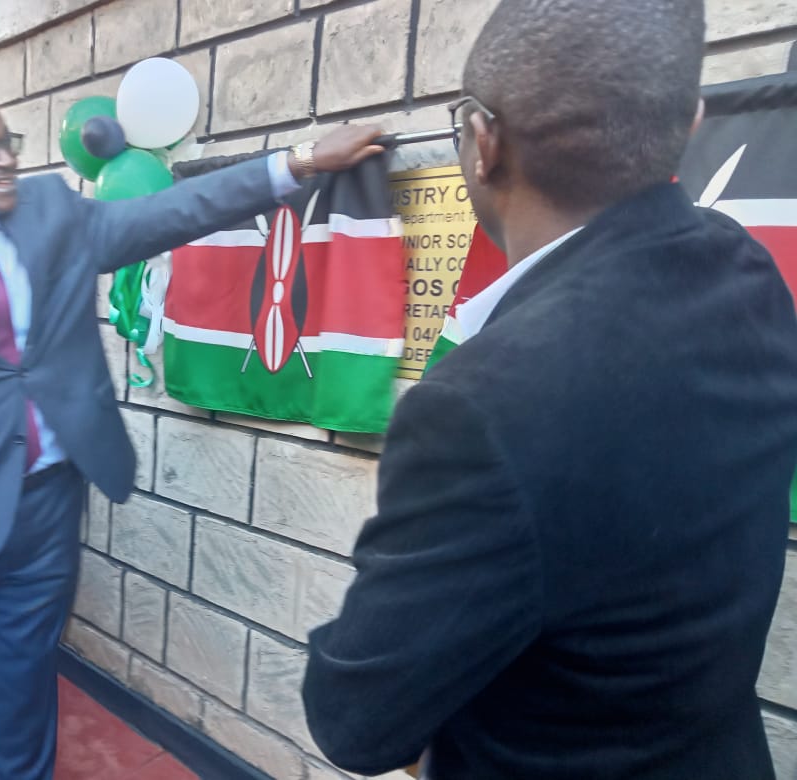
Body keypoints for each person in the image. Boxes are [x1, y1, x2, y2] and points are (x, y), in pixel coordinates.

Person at [0, 76, 382, 780]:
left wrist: (298, 162)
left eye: (8, 143)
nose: (3, 161)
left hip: (48, 506)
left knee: (27, 692)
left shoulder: (51, 213)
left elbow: (175, 210)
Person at [302, 1, 797, 778]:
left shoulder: (481, 406)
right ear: (691, 122)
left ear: (482, 140)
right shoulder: (747, 272)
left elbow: (355, 720)